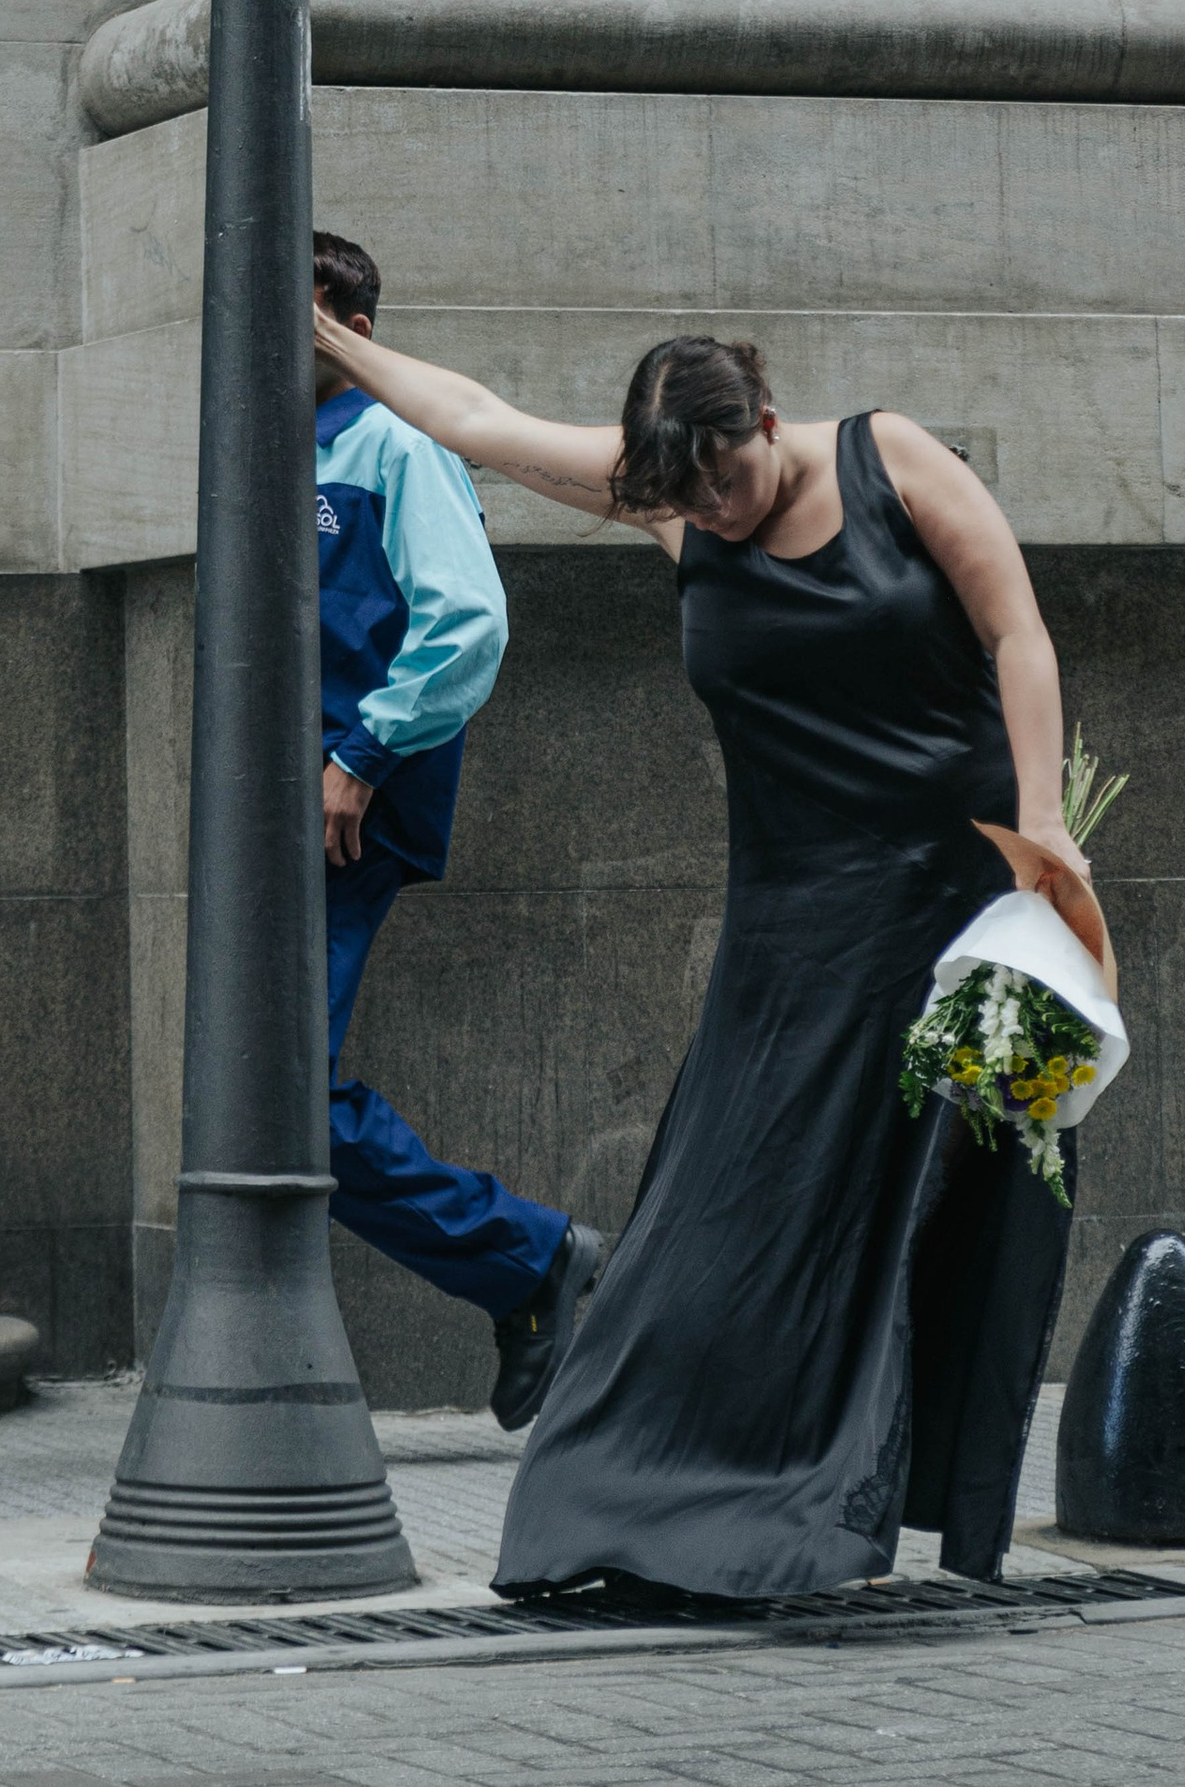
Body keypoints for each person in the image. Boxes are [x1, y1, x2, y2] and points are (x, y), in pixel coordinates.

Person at [307, 311, 1091, 1601]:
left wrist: (1046, 828)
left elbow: (1018, 633)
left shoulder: (887, 458)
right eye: (687, 497)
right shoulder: (673, 505)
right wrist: (334, 337)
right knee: (724, 1214)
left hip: (960, 899)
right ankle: (654, 1503)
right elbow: (474, 415)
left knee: (947, 1213)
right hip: (794, 922)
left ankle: (871, 1503)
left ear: (766, 424)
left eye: (727, 480)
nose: (716, 514)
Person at [311, 231, 602, 1427]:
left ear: (355, 333)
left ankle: (531, 1258)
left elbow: (467, 622)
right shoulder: (282, 453)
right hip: (289, 816)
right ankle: (525, 1263)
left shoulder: (394, 443)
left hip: (341, 811)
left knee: (277, 1100)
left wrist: (363, 754)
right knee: (275, 1098)